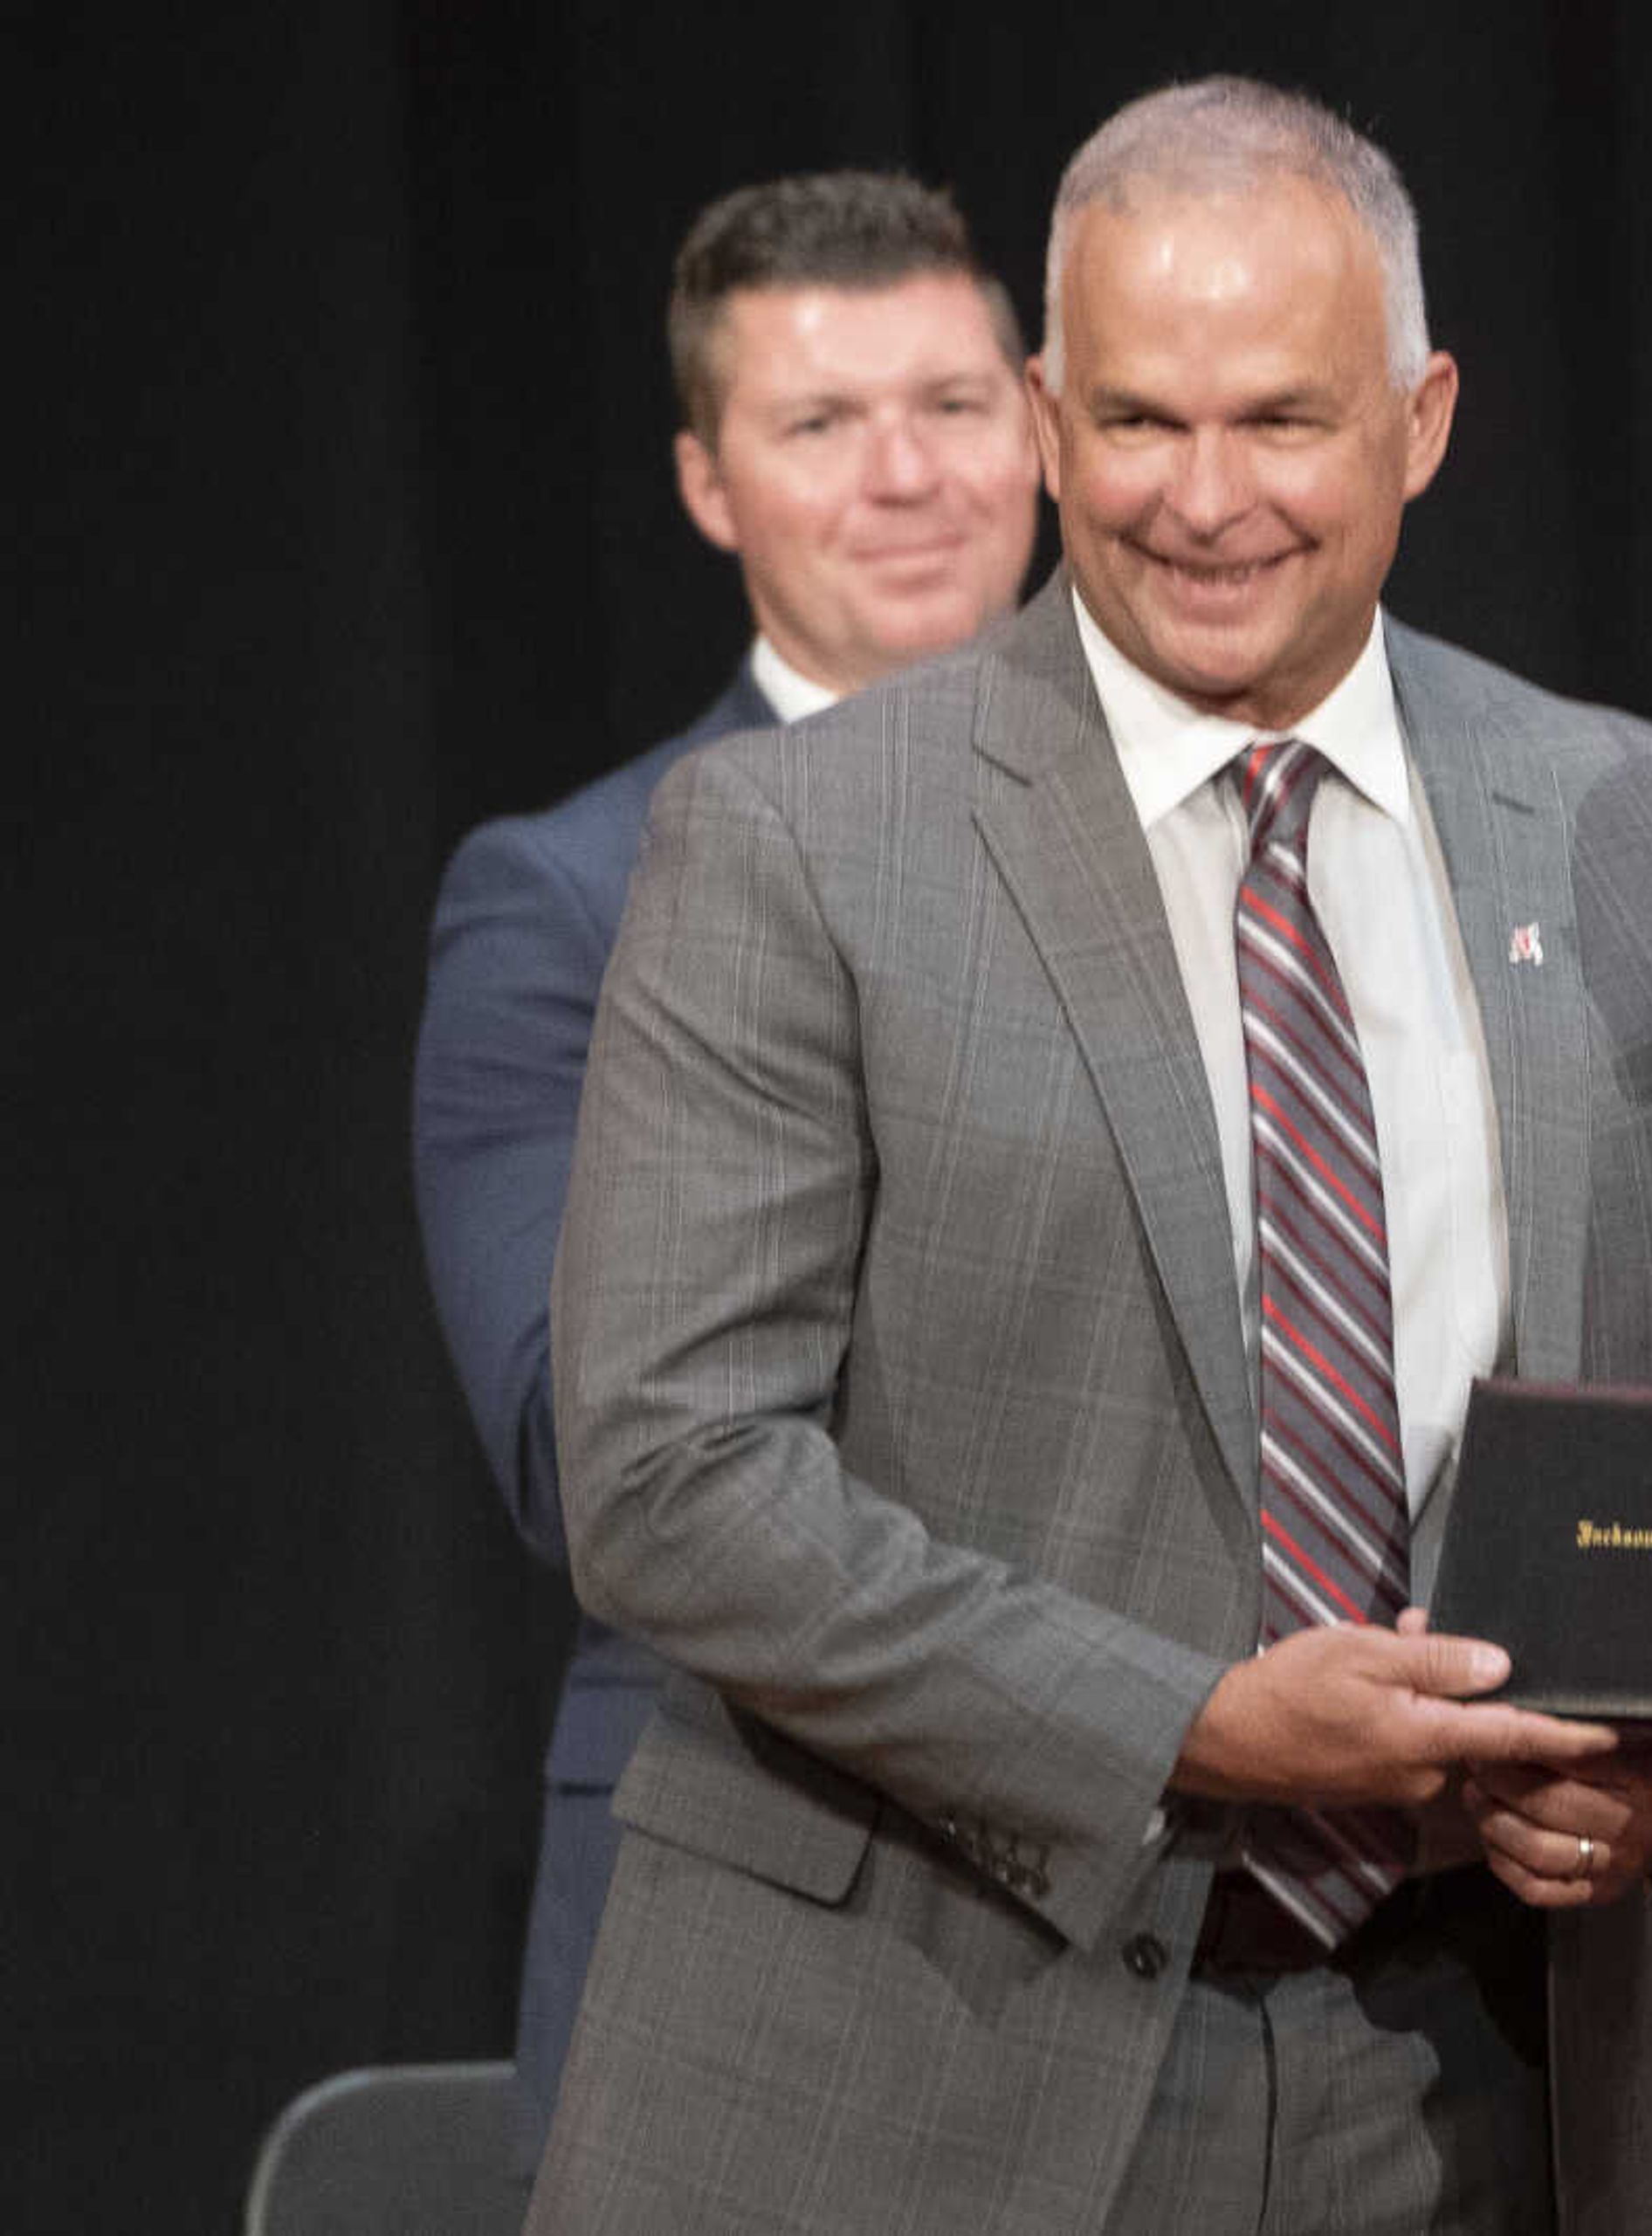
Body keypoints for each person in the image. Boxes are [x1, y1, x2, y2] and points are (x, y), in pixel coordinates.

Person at [530, 78, 1652, 2236]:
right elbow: (672, 1475)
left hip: (1480, 2077)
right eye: (1138, 423)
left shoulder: (1633, 827)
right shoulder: (801, 842)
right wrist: (1195, 1725)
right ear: (1045, 420)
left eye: (1284, 422)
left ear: (1423, 420)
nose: (1205, 500)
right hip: (916, 2083)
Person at [410, 169, 1042, 2178]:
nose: (907, 476)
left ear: (1045, 418)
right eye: (819, 424)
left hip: (1225, 1942)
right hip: (752, 1921)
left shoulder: (1254, 846)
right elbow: (583, 1450)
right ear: (706, 484)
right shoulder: (568, 900)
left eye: (953, 403)